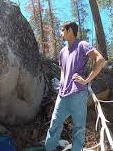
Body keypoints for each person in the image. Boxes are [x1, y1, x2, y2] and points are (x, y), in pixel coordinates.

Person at [45, 22, 105, 151]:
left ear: (70, 30)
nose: (61, 33)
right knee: (54, 125)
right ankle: (49, 149)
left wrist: (87, 79)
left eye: (62, 30)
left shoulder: (82, 45)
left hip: (78, 94)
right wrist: (61, 83)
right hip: (62, 95)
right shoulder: (62, 52)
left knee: (79, 129)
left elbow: (100, 60)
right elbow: (62, 70)